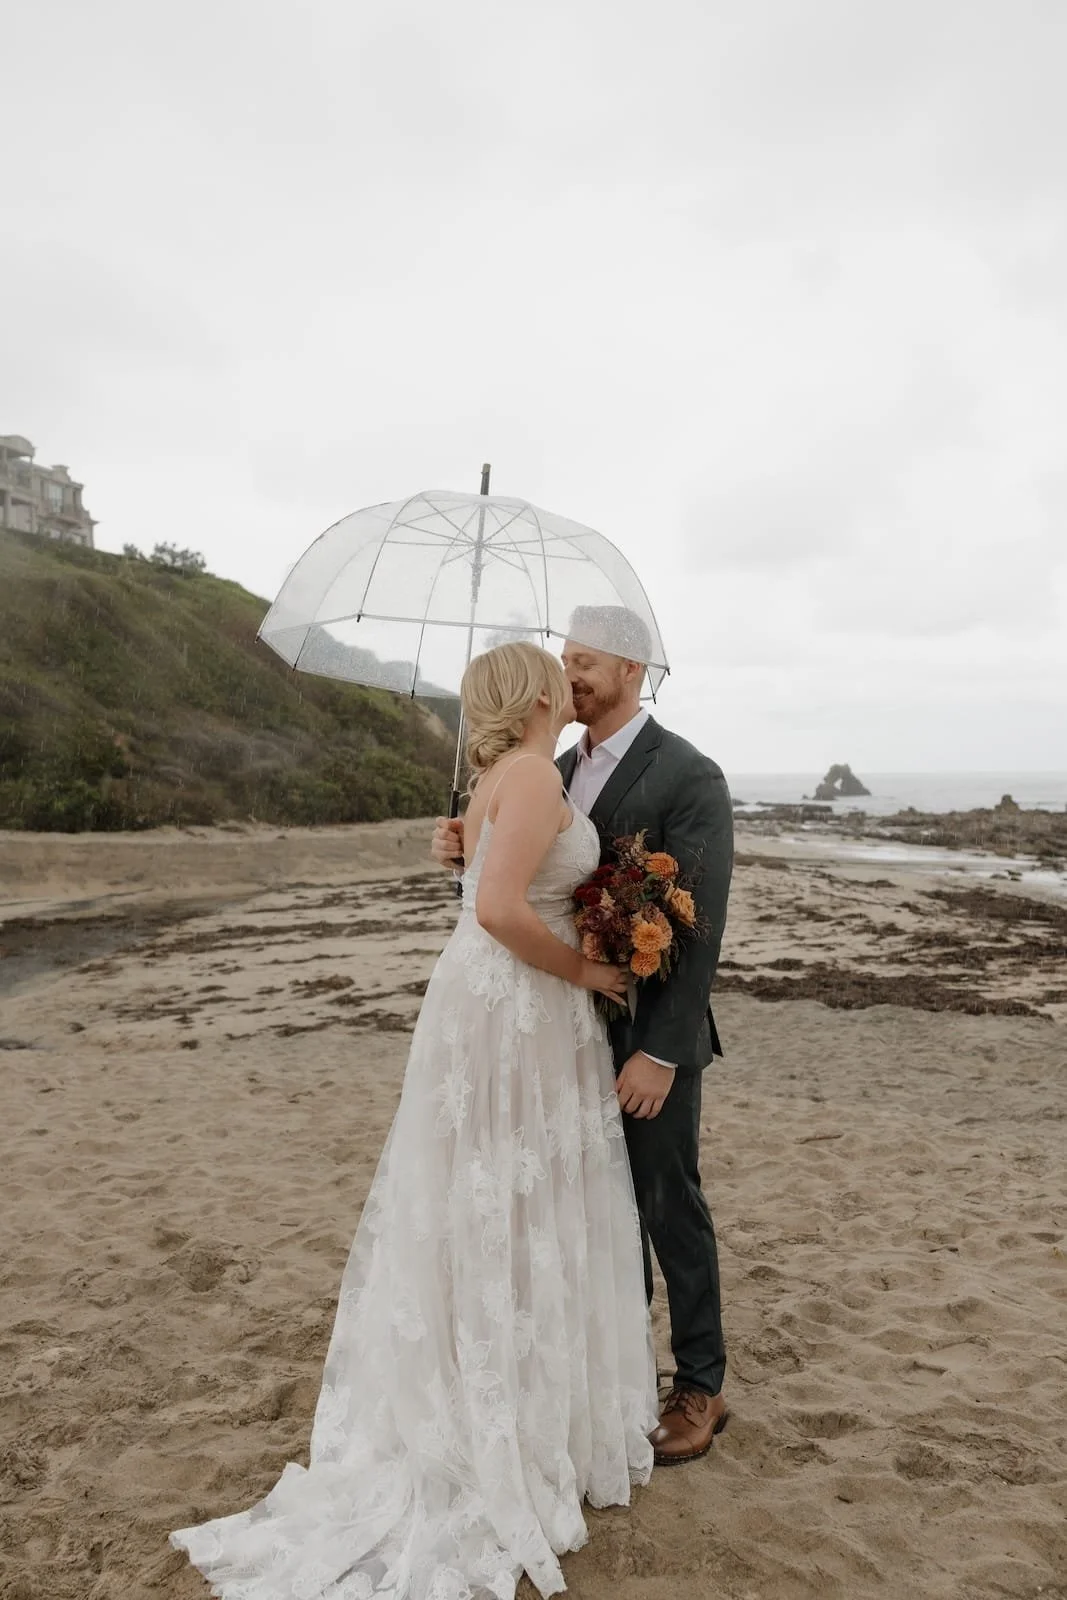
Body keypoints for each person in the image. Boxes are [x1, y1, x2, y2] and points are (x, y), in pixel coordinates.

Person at [170, 641, 658, 1600]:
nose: (568, 682)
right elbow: (499, 910)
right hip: (518, 1003)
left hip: (503, 1005)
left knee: (497, 1198)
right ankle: (495, 1419)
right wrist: (587, 970)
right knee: (503, 1197)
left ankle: (507, 1394)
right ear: (533, 697)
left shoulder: (504, 779)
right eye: (554, 673)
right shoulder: (529, 776)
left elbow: (489, 883)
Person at [432, 607, 733, 1465]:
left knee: (666, 1203)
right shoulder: (552, 766)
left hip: (646, 1032)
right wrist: (461, 852)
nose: (569, 676)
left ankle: (700, 1385)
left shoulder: (688, 774)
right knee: (593, 1209)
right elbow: (525, 883)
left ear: (633, 670)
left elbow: (700, 929)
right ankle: (619, 1377)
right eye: (563, 660)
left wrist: (660, 1052)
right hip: (558, 1028)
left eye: (586, 662)